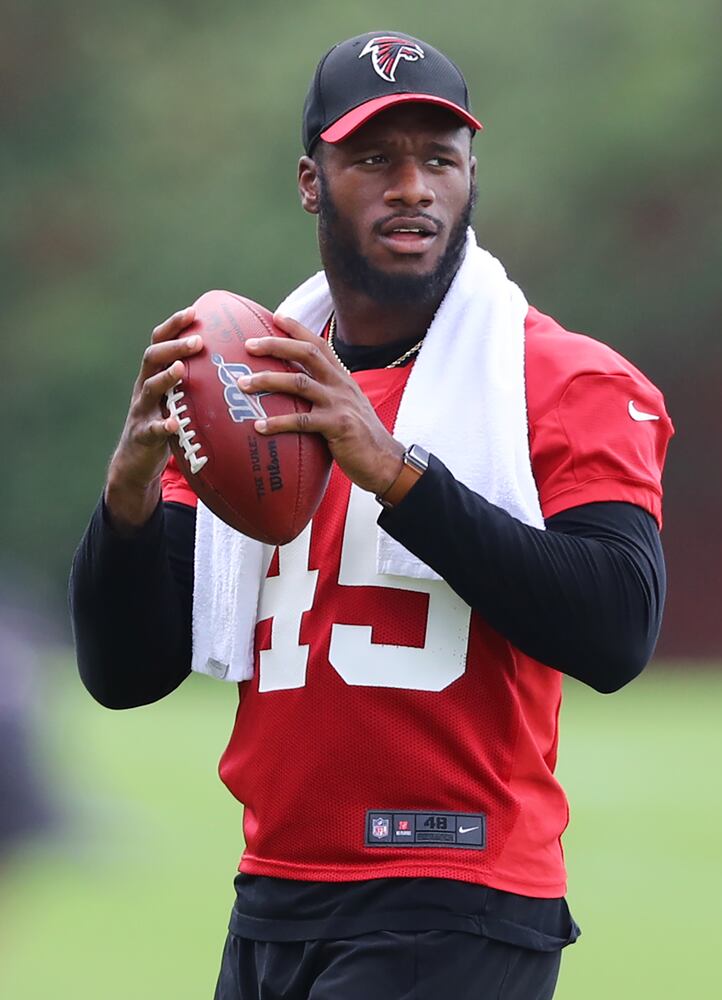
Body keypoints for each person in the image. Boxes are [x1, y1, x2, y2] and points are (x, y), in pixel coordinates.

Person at [70, 30, 674, 1000]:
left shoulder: (559, 377)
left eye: (438, 158)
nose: (411, 187)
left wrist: (395, 472)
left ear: (473, 175)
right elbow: (124, 672)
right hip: (273, 893)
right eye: (372, 159)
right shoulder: (249, 381)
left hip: (456, 892)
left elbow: (616, 628)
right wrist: (129, 495)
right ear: (311, 181)